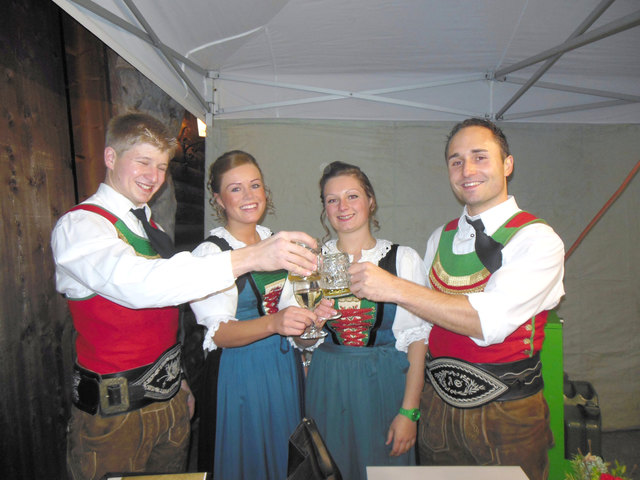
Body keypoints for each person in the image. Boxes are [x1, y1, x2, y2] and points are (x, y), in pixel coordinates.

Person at [51, 113, 320, 480]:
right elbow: (139, 286)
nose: (154, 176)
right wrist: (253, 257)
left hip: (169, 402)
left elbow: (164, 316)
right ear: (111, 157)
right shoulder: (82, 226)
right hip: (115, 415)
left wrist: (177, 383)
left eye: (162, 166)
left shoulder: (150, 228)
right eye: (143, 162)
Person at [348, 118, 565, 480]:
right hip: (437, 408)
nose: (467, 170)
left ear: (507, 164)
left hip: (505, 416)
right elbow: (422, 323)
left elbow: (487, 322)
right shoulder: (440, 236)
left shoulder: (537, 239)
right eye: (456, 161)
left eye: (480, 157)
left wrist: (393, 287)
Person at [190, 150, 333, 479]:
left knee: (285, 458)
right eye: (236, 188)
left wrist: (308, 322)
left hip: (282, 366)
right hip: (240, 372)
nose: (249, 195)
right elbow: (218, 334)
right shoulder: (211, 253)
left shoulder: (276, 241)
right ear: (219, 199)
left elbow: (289, 317)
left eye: (255, 185)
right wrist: (275, 323)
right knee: (248, 459)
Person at [303, 161, 429, 480]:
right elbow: (303, 342)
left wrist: (409, 412)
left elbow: (417, 340)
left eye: (352, 196)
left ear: (370, 200)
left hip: (385, 382)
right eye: (332, 200)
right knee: (332, 468)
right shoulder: (310, 265)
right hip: (328, 384)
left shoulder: (403, 260)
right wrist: (308, 327)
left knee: (387, 469)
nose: (342, 207)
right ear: (324, 208)